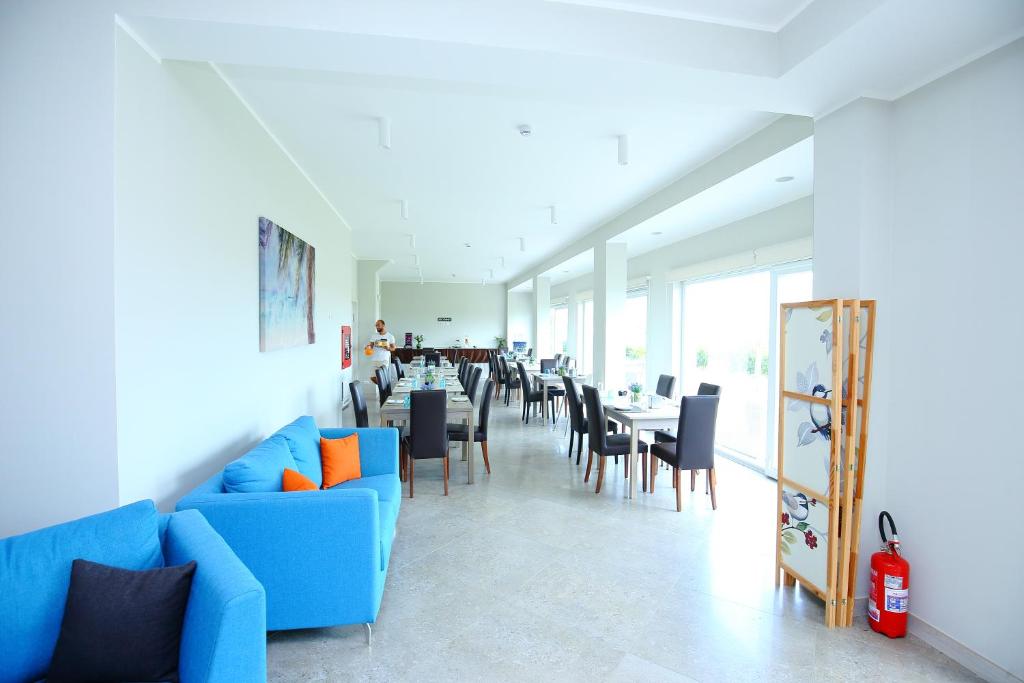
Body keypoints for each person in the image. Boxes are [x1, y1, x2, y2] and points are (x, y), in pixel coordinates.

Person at [366, 319, 396, 384]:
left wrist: (387, 348)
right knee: (373, 377)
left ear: (383, 325)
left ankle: (384, 391)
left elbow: (393, 348)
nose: (377, 327)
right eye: (376, 325)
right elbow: (370, 346)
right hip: (374, 359)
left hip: (384, 360)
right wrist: (367, 347)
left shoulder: (390, 336)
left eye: (378, 325)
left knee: (383, 377)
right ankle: (383, 388)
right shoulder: (374, 336)